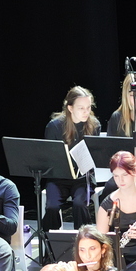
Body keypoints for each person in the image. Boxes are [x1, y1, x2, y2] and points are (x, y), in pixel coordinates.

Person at [42, 86, 100, 234]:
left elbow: (95, 154)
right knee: (52, 206)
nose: (86, 112)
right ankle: (52, 243)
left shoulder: (94, 125)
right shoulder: (55, 126)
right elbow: (50, 158)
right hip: (59, 178)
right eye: (81, 108)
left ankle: (84, 239)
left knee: (80, 204)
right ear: (70, 108)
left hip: (82, 177)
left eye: (88, 107)